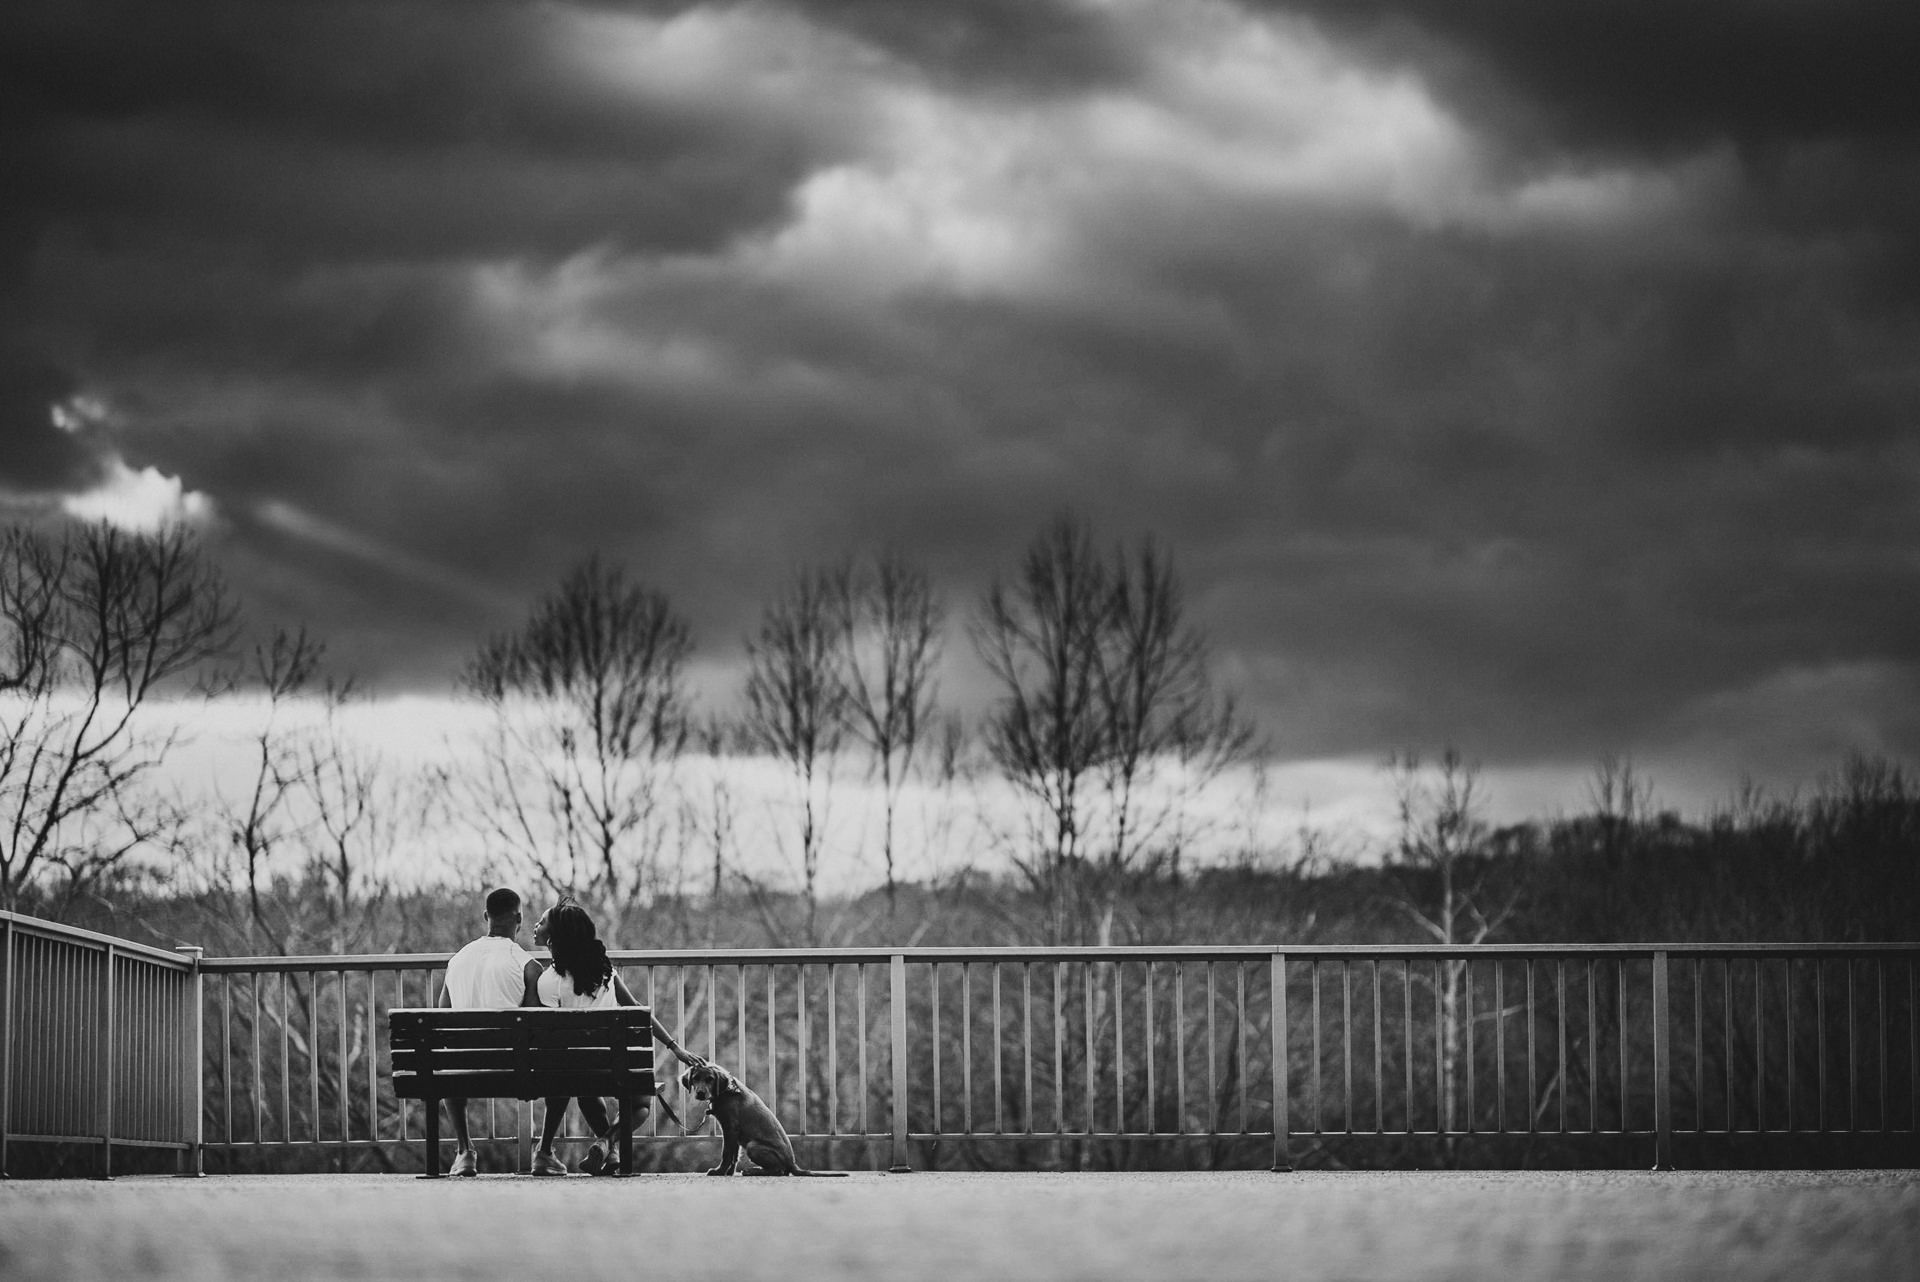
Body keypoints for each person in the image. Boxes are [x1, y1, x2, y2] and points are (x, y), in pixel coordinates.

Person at [528, 898, 703, 1175]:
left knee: (583, 1084)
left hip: (567, 1072)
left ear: (555, 937)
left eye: (542, 922)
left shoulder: (546, 981)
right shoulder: (606, 972)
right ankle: (608, 1144)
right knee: (641, 1104)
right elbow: (639, 1010)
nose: (536, 924)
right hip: (611, 1067)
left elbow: (548, 1033)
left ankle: (601, 1147)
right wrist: (673, 1047)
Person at [439, 885, 543, 1176]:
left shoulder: (457, 961)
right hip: (514, 1069)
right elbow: (534, 1024)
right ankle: (544, 1151)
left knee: (451, 1063)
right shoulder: (528, 965)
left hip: (462, 1068)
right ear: (519, 919)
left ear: (486, 916)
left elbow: (442, 1016)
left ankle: (464, 1150)